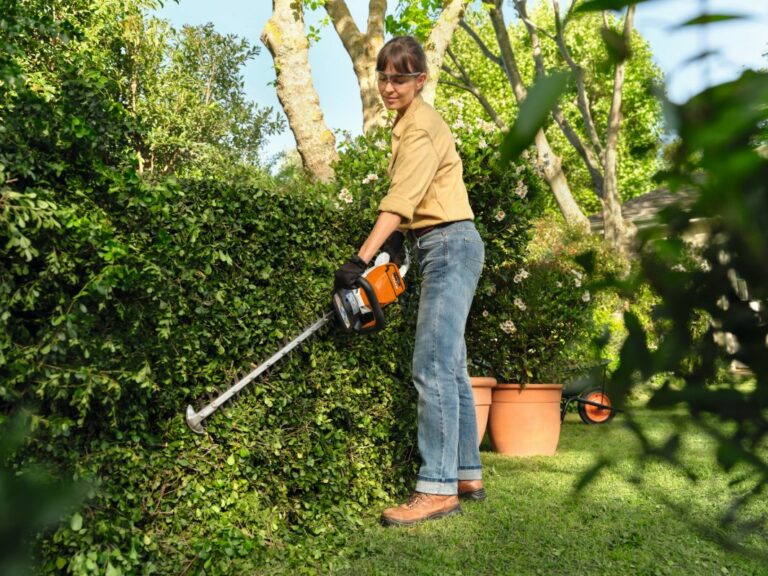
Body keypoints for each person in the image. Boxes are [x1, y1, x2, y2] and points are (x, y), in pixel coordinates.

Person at [333, 36, 485, 527]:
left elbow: (398, 204)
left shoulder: (419, 128)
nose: (389, 86)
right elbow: (416, 205)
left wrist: (359, 261)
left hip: (448, 246)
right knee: (452, 366)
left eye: (400, 77)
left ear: (421, 79)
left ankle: (436, 489)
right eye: (383, 76)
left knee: (433, 365)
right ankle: (465, 473)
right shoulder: (410, 125)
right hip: (443, 243)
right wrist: (398, 245)